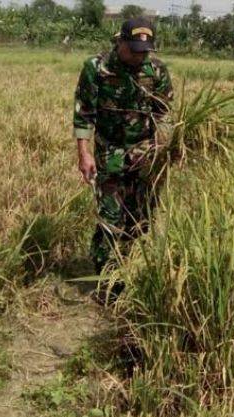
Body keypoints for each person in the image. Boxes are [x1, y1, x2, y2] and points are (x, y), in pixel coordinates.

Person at [73, 17, 173, 277]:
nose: (140, 57)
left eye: (145, 52)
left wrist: (165, 149)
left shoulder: (157, 71)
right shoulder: (96, 68)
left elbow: (164, 115)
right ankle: (105, 276)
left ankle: (128, 267)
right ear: (121, 43)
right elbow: (84, 114)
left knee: (141, 219)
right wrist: (84, 154)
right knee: (111, 217)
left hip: (146, 157)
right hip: (110, 154)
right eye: (134, 51)